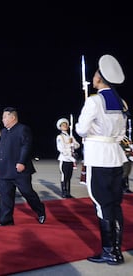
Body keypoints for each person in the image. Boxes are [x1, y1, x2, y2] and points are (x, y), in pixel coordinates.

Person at [75, 54, 128, 265]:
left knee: (102, 204)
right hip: (116, 156)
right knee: (115, 204)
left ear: (99, 78)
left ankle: (110, 252)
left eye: (96, 73)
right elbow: (122, 132)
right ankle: (116, 250)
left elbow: (80, 129)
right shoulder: (121, 102)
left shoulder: (94, 101)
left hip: (99, 158)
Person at [0, 107, 46, 226]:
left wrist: (21, 162)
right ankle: (6, 220)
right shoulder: (4, 132)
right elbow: (0, 150)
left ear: (12, 117)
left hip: (19, 170)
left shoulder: (23, 129)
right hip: (5, 170)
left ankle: (40, 211)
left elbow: (26, 146)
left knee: (27, 192)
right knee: (6, 195)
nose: (2, 119)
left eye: (4, 117)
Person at [56, 117, 81, 198]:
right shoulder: (60, 137)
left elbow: (78, 145)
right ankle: (64, 192)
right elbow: (61, 149)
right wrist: (71, 158)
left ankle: (68, 192)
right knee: (64, 176)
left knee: (69, 176)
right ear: (60, 127)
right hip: (64, 159)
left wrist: (73, 144)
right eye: (63, 125)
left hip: (70, 159)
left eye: (66, 124)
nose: (65, 126)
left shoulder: (70, 136)